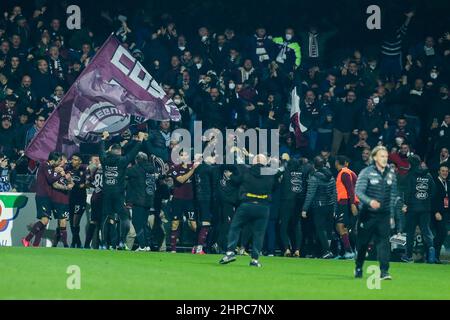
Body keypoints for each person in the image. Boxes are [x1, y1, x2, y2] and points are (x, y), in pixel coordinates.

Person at [219, 155, 281, 267]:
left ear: (253, 161)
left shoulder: (246, 170)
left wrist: (230, 175)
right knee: (259, 234)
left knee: (235, 227)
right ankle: (255, 260)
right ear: (265, 162)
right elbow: (276, 185)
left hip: (246, 205)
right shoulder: (270, 173)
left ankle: (230, 253)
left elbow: (235, 181)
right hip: (263, 207)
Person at [354, 146, 398, 280]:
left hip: (383, 215)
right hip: (367, 214)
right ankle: (359, 266)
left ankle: (384, 271)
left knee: (384, 243)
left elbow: (393, 196)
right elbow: (358, 191)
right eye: (381, 156)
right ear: (374, 158)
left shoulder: (391, 174)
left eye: (386, 156)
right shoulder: (366, 172)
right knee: (363, 243)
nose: (384, 159)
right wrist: (370, 201)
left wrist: (391, 215)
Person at [99, 131, 144, 250]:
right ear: (119, 152)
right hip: (118, 193)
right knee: (124, 217)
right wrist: (139, 140)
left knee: (105, 217)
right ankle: (121, 241)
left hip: (106, 193)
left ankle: (103, 243)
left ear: (110, 151)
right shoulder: (122, 161)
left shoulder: (104, 160)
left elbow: (101, 151)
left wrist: (103, 139)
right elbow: (133, 153)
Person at [21, 152, 64, 247]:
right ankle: (26, 239)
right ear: (52, 160)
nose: (59, 163)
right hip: (42, 196)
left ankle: (36, 244)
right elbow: (51, 179)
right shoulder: (45, 165)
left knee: (45, 221)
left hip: (47, 196)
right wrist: (60, 173)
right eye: (58, 161)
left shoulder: (49, 167)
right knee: (44, 220)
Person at [402, 155, 436, 263]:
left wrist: (406, 204)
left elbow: (407, 192)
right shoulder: (428, 175)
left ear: (411, 163)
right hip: (425, 208)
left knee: (410, 232)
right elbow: (434, 191)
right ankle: (431, 251)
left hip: (412, 208)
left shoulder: (410, 175)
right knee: (426, 230)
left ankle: (408, 256)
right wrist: (426, 200)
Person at [301, 156, 337, 259]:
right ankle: (326, 250)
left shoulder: (314, 177)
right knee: (328, 229)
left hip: (319, 206)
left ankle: (326, 251)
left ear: (314, 165)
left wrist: (304, 209)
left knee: (320, 229)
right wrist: (335, 208)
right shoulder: (331, 176)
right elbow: (334, 193)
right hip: (330, 205)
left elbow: (310, 194)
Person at [279, 154, 313, 257]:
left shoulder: (286, 171)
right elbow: (309, 166)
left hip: (286, 202)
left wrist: (283, 162)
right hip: (299, 202)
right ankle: (297, 249)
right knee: (297, 226)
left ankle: (286, 249)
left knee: (283, 226)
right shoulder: (302, 172)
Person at [169, 150, 199, 253]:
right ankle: (173, 250)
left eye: (184, 154)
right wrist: (192, 170)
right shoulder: (174, 167)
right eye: (181, 155)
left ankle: (198, 246)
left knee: (193, 225)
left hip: (189, 200)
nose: (183, 156)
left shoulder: (193, 165)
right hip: (177, 199)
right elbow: (180, 180)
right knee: (175, 223)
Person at [126, 152, 157, 252]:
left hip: (139, 200)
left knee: (136, 222)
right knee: (144, 223)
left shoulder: (136, 169)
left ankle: (142, 246)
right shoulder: (151, 168)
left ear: (137, 160)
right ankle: (147, 245)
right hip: (149, 200)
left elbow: (125, 172)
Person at [334, 156, 359, 259]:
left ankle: (349, 252)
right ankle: (347, 252)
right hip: (350, 202)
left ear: (338, 163)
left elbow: (350, 189)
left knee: (340, 227)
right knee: (345, 229)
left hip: (346, 203)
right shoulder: (351, 172)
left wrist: (352, 204)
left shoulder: (344, 173)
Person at [50, 154, 74, 248]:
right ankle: (65, 245)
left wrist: (69, 180)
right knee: (62, 221)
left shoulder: (66, 171)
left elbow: (71, 184)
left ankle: (55, 244)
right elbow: (54, 184)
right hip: (57, 199)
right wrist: (66, 188)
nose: (66, 162)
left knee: (61, 223)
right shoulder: (54, 170)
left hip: (65, 200)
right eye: (64, 160)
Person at [66, 153, 88, 248]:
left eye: (75, 159)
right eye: (72, 159)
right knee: (71, 222)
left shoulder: (84, 171)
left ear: (80, 161)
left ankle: (75, 243)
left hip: (80, 199)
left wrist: (79, 185)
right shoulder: (68, 170)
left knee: (76, 221)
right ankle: (77, 243)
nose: (72, 161)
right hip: (70, 199)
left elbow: (87, 183)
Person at [432, 163, 449, 263]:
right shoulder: (435, 182)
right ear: (439, 172)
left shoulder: (447, 183)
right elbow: (432, 199)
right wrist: (436, 212)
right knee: (440, 233)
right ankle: (433, 255)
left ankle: (435, 257)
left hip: (445, 212)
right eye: (443, 171)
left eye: (446, 171)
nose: (445, 173)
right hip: (437, 213)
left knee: (441, 234)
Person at [84, 154, 102, 249]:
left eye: (98, 160)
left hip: (97, 197)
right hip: (91, 197)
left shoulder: (101, 169)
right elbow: (87, 183)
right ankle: (88, 243)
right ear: (90, 161)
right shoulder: (89, 169)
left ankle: (97, 244)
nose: (97, 162)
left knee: (97, 222)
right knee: (93, 221)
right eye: (95, 160)